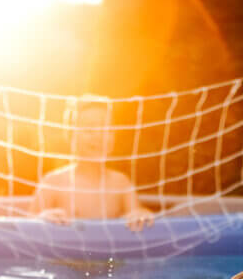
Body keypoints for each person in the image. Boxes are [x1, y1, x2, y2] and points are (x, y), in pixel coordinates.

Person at [29, 95, 154, 232]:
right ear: (71, 136)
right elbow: (27, 226)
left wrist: (141, 214)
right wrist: (42, 219)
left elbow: (137, 216)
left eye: (106, 128)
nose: (99, 136)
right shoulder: (53, 182)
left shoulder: (121, 183)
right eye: (89, 129)